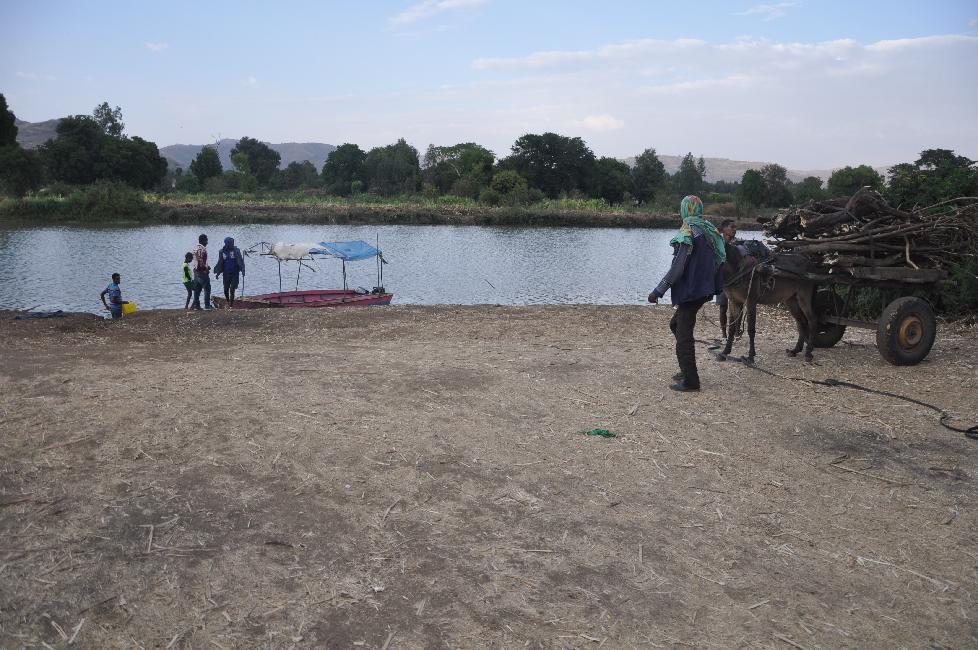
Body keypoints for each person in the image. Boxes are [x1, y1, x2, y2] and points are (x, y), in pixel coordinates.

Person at [648, 196, 725, 392]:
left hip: (693, 290)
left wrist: (658, 291)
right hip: (704, 288)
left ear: (685, 210)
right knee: (675, 324)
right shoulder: (708, 229)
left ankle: (691, 381)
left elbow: (678, 267)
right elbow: (719, 259)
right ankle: (685, 369)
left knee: (684, 335)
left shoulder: (688, 231)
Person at [214, 237, 246, 309]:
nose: (233, 244)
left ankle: (231, 305)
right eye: (231, 243)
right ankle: (228, 301)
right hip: (226, 274)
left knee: (232, 289)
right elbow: (220, 262)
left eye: (233, 243)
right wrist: (218, 273)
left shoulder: (236, 251)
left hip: (235, 273)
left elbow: (240, 261)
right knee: (226, 290)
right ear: (227, 244)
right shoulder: (221, 252)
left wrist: (243, 270)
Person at [190, 234, 213, 310]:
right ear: (203, 240)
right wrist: (205, 269)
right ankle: (207, 306)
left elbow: (197, 260)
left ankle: (197, 306)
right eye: (206, 240)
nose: (207, 242)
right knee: (207, 289)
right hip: (201, 272)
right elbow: (200, 260)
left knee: (197, 289)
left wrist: (206, 266)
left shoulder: (195, 248)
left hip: (196, 271)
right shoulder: (201, 249)